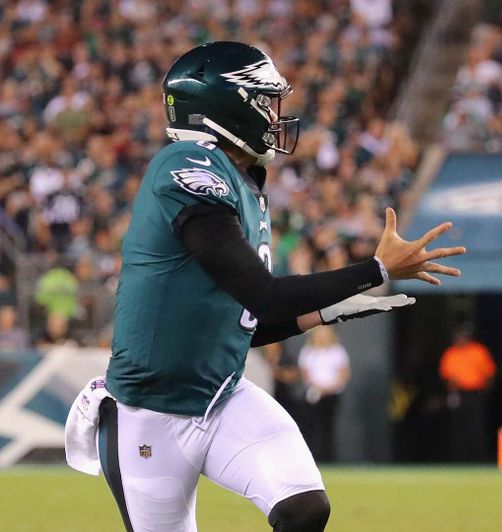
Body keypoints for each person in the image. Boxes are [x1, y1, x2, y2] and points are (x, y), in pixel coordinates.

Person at [65, 41, 465, 532]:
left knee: (304, 507)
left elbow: (241, 324)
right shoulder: (186, 165)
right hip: (149, 413)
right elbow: (264, 296)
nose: (275, 115)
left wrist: (327, 312)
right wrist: (376, 269)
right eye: (264, 101)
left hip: (220, 394)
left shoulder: (244, 182)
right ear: (225, 106)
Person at [439, 324, 495, 462]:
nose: (460, 339)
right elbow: (445, 375)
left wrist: (485, 390)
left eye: (463, 336)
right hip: (458, 393)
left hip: (476, 393)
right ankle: (460, 458)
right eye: (458, 336)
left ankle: (479, 459)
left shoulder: (479, 351)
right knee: (458, 427)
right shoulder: (450, 353)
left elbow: (490, 373)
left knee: (477, 426)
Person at [298, 325, 351, 461]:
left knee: (328, 427)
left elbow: (344, 374)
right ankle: (312, 459)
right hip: (314, 395)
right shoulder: (308, 351)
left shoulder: (337, 351)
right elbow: (305, 374)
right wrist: (318, 388)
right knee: (311, 427)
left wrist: (328, 389)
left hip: (332, 395)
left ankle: (328, 458)